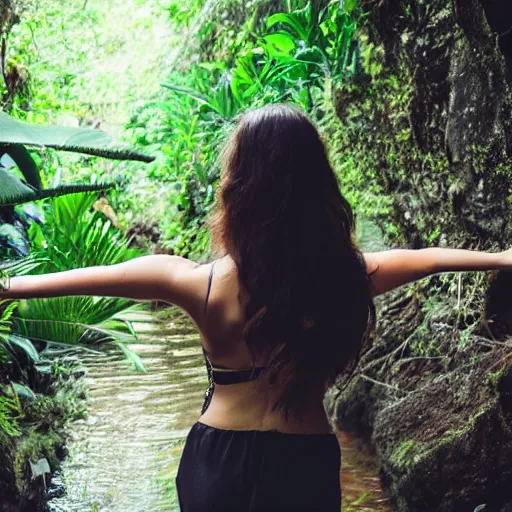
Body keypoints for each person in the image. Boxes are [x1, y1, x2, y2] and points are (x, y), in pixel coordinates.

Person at [1, 103, 510, 511]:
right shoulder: (343, 277)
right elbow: (426, 260)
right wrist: (499, 257)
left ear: (239, 186)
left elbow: (102, 280)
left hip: (217, 461)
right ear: (318, 185)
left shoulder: (199, 284)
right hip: (302, 461)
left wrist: (9, 288)